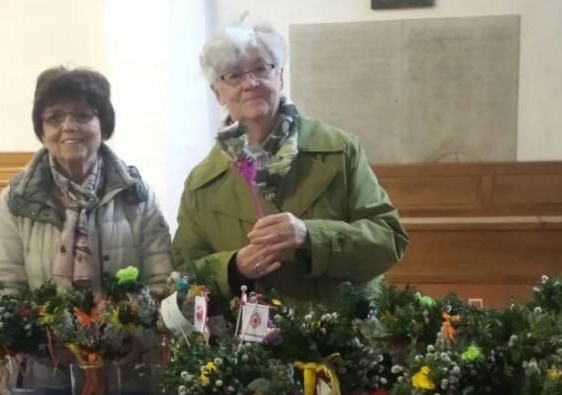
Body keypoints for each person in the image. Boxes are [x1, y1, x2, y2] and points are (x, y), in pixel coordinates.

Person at [172, 23, 409, 304]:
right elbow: (186, 273)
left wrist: (311, 236)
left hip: (342, 336)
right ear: (218, 93)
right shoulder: (201, 183)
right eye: (234, 75)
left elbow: (388, 239)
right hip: (247, 344)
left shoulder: (339, 150)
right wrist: (233, 268)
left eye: (261, 68)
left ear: (280, 76)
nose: (250, 83)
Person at [0, 67, 173, 294]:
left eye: (83, 115)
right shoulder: (17, 198)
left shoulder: (136, 195)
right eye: (54, 118)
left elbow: (161, 281)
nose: (69, 126)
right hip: (40, 327)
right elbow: (3, 285)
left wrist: (128, 323)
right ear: (41, 130)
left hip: (128, 328)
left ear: (104, 124)